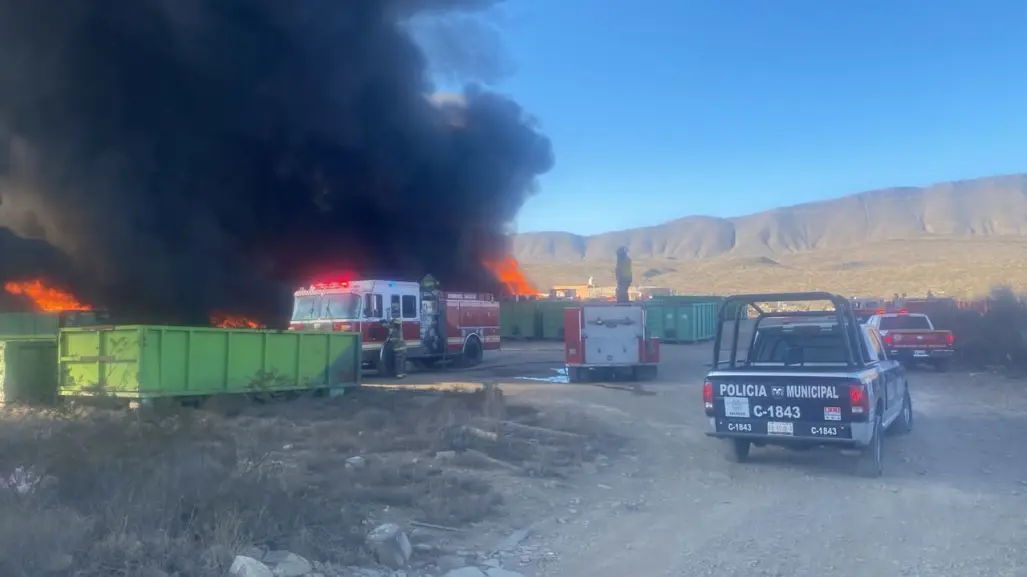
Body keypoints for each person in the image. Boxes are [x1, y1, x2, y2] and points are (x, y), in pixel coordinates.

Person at [382, 302, 406, 378]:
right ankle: (402, 373)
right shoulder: (397, 328)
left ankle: (399, 374)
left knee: (398, 361)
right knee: (401, 361)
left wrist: (388, 341)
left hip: (398, 348)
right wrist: (384, 324)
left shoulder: (396, 331)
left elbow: (393, 337)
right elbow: (390, 326)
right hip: (401, 348)